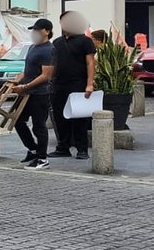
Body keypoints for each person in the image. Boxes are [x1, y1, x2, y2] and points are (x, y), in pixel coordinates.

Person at [51, 13, 97, 160]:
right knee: (60, 117)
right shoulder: (57, 42)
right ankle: (62, 147)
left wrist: (89, 84)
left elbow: (90, 63)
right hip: (59, 84)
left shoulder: (85, 41)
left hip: (78, 84)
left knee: (79, 118)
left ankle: (82, 149)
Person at [13, 19, 56, 170]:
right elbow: (28, 70)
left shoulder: (48, 49)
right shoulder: (33, 47)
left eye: (37, 30)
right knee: (17, 121)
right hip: (27, 93)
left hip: (40, 94)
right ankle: (33, 150)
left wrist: (26, 86)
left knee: (39, 127)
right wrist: (18, 80)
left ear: (46, 31)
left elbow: (46, 75)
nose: (34, 33)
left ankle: (43, 158)